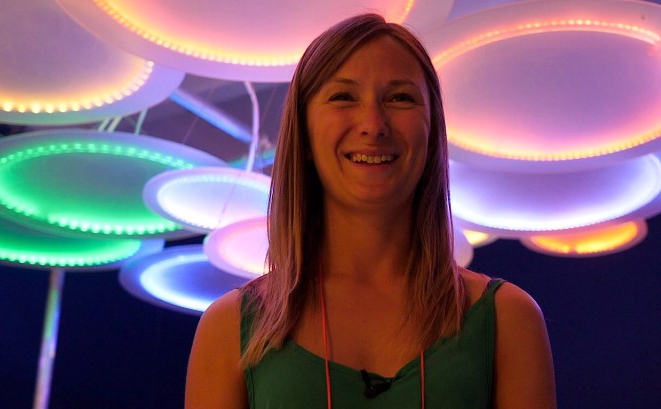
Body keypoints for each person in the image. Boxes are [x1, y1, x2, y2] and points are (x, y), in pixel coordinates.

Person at [186, 13, 556, 409]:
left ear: (432, 131)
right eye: (343, 97)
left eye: (400, 98)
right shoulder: (229, 328)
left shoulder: (508, 320)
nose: (373, 124)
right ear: (305, 133)